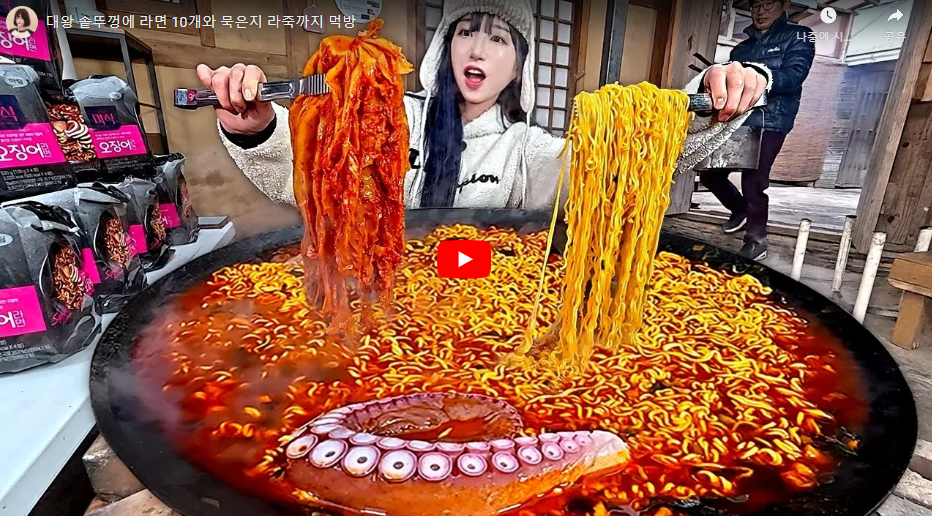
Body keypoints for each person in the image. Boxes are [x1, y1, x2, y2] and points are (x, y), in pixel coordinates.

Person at [199, 0, 771, 212]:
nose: (477, 49)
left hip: (483, 311)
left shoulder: (527, 149)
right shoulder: (391, 118)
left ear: (518, 66)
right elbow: (311, 175)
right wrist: (256, 127)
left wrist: (709, 105)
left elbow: (610, 170)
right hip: (374, 295)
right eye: (465, 32)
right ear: (445, 48)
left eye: (498, 39)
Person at [699, 0, 815, 261]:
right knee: (711, 174)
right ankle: (740, 210)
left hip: (771, 119)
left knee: (753, 181)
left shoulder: (800, 35)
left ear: (783, 4)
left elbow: (794, 76)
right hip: (738, 120)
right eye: (756, 6)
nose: (761, 11)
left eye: (768, 3)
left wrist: (756, 77)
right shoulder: (741, 49)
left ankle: (756, 240)